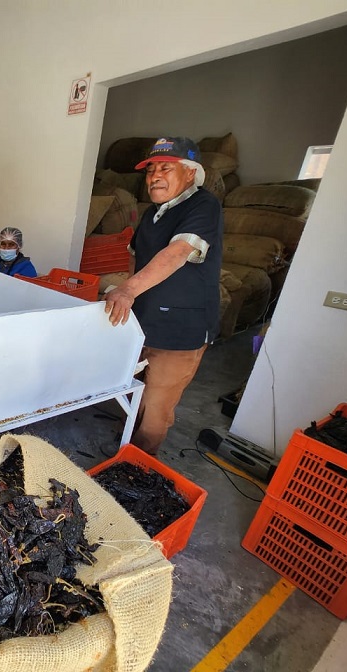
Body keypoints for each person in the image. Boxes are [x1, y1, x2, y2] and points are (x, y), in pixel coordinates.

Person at [102, 137, 223, 455]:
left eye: (166, 168)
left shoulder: (203, 207)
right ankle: (124, 442)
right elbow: (134, 255)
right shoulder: (152, 214)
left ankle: (137, 464)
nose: (155, 176)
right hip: (147, 321)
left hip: (182, 328)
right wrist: (131, 292)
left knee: (157, 406)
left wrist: (127, 290)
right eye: (151, 169)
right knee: (136, 389)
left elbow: (179, 252)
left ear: (190, 173)